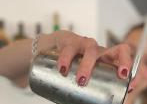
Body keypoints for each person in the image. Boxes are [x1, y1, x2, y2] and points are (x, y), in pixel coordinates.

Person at [0, 29, 134, 89]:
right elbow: (2, 64)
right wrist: (52, 40)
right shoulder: (87, 71)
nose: (130, 62)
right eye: (131, 53)